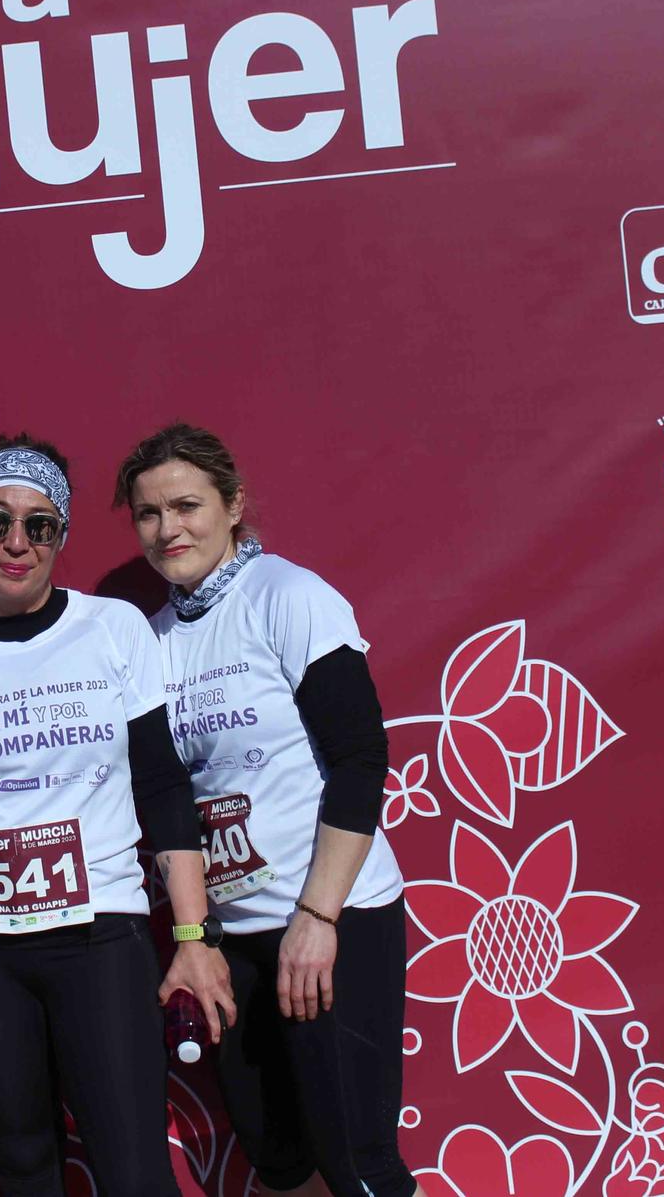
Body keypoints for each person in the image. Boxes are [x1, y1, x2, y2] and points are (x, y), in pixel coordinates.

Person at [0, 435, 235, 1197]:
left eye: (39, 525)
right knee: (21, 1167)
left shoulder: (114, 630)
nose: (16, 543)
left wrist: (191, 935)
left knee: (135, 1167)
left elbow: (163, 789)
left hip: (99, 939)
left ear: (62, 536)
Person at [116, 423, 415, 1197]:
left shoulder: (288, 595)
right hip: (231, 945)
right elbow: (165, 794)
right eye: (148, 513)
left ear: (233, 503)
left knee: (359, 1163)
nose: (168, 528)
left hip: (329, 923)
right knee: (278, 1161)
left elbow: (359, 759)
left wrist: (318, 918)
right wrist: (196, 936)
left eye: (187, 504)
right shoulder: (151, 638)